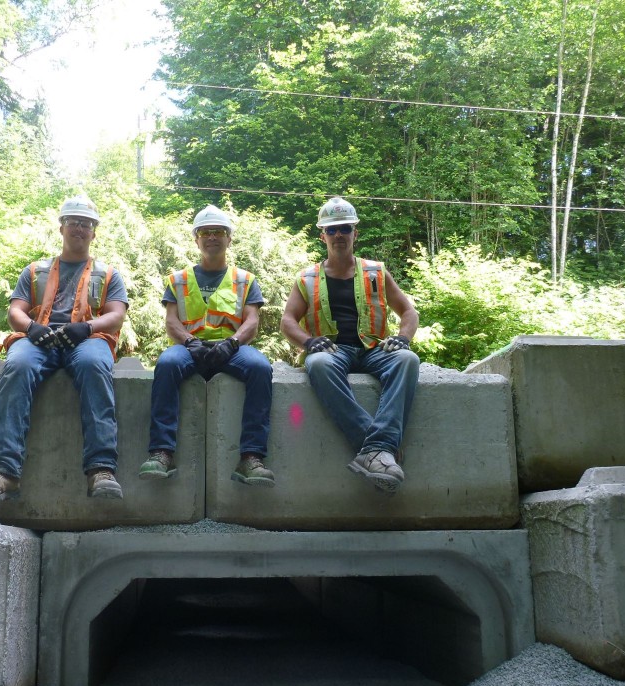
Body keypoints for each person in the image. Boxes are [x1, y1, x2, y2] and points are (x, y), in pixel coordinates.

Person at [0, 195, 129, 501]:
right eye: (73, 222)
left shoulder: (108, 274)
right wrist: (32, 328)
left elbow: (116, 313)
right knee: (17, 366)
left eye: (85, 224)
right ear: (61, 228)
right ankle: (2, 472)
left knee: (95, 366)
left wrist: (88, 327)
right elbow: (16, 310)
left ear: (94, 232)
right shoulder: (34, 270)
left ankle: (101, 470)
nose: (79, 228)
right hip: (39, 340)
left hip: (87, 341)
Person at [280, 197, 419, 494]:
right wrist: (308, 341)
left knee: (407, 360)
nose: (339, 235)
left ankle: (373, 450)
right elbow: (288, 322)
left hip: (374, 349)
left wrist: (403, 338)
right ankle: (381, 449)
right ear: (323, 237)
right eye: (332, 231)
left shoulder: (376, 272)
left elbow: (409, 312)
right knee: (317, 364)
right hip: (332, 351)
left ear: (356, 233)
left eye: (344, 229)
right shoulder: (307, 278)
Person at [138, 205, 275, 486]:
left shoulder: (245, 280)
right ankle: (161, 452)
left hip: (231, 349)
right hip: (191, 349)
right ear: (196, 239)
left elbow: (251, 321)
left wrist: (233, 342)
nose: (212, 237)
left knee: (261, 367)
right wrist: (190, 341)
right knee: (166, 364)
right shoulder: (177, 280)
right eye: (205, 232)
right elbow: (172, 321)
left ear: (229, 239)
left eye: (219, 232)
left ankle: (251, 457)